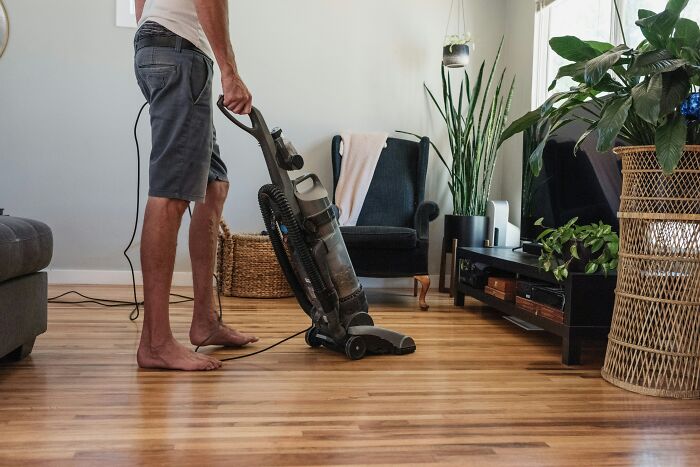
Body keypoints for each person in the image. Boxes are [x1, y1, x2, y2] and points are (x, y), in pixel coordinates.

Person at [133, 0, 258, 371]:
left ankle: (204, 321)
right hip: (179, 52)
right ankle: (155, 344)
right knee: (171, 194)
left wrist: (157, 37)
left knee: (214, 184)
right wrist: (230, 72)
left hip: (166, 47)